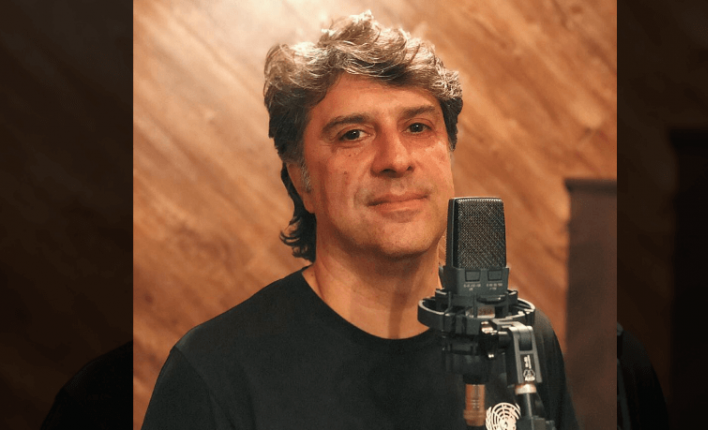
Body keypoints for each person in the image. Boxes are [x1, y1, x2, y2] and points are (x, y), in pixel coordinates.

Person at [142, 11, 579, 430]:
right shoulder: (214, 373)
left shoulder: (521, 340)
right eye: (353, 134)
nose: (396, 159)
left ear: (449, 154)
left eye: (418, 127)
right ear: (302, 180)